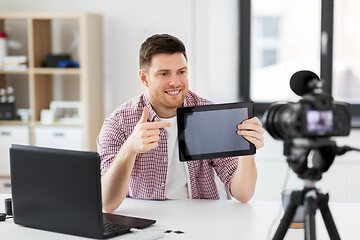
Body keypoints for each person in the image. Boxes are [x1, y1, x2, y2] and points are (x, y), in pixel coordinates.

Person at [97, 34, 265, 213]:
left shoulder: (209, 115)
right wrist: (129, 150)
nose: (175, 82)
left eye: (181, 72)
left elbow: (244, 194)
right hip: (146, 219)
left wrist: (248, 149)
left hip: (203, 219)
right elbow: (106, 202)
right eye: (164, 73)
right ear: (144, 78)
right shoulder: (118, 123)